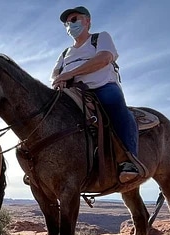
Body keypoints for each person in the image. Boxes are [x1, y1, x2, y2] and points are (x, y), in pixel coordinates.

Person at [51, 6, 140, 183]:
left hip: (102, 86)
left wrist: (69, 74)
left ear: (87, 21)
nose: (70, 25)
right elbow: (55, 73)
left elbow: (104, 58)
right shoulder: (65, 53)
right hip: (71, 91)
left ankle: (129, 161)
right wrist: (59, 79)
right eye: (67, 23)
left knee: (116, 106)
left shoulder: (99, 38)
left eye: (74, 19)